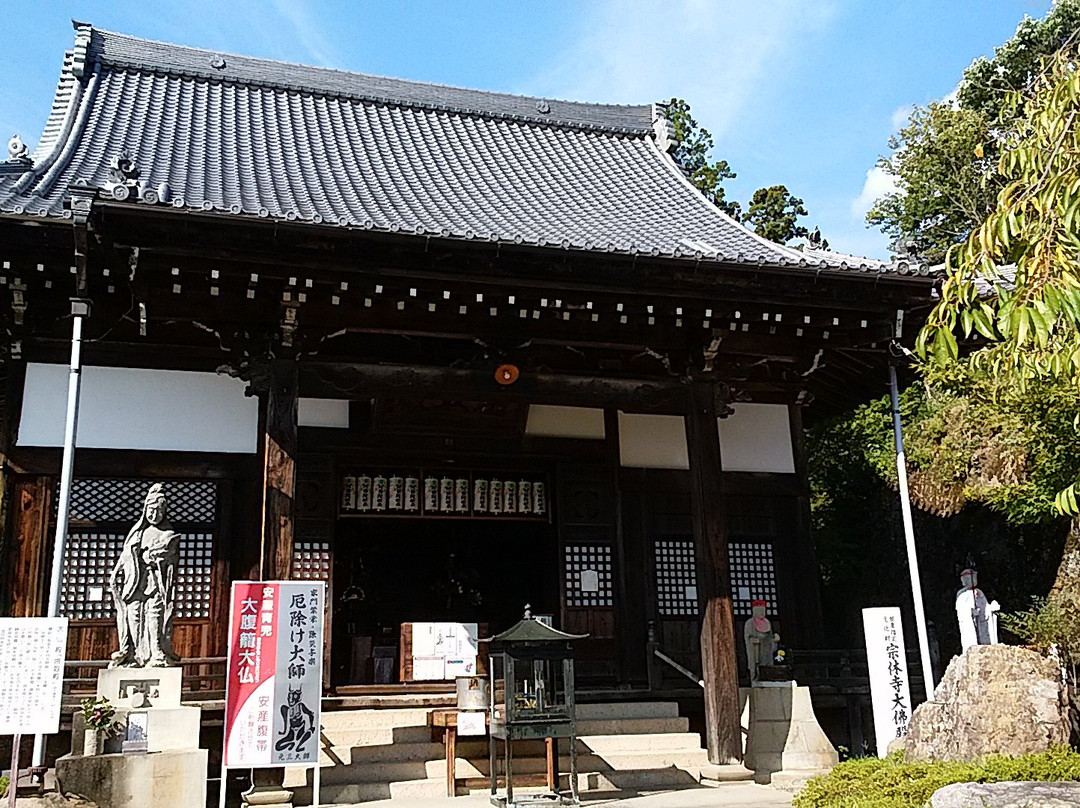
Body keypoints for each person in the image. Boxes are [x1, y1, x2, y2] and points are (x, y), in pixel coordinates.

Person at [109, 484, 181, 667]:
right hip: (134, 581)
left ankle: (156, 650)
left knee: (154, 615)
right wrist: (116, 571)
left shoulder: (167, 533)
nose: (154, 515)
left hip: (155, 580)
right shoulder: (137, 532)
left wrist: (156, 557)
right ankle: (133, 653)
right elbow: (126, 553)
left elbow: (169, 555)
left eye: (158, 511)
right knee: (133, 615)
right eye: (151, 510)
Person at [955, 568, 999, 650]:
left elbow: (985, 606)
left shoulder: (979, 592)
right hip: (970, 623)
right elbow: (961, 610)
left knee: (984, 636)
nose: (973, 580)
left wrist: (991, 608)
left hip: (981, 622)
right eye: (970, 578)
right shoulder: (962, 595)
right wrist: (970, 612)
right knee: (971, 637)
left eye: (975, 577)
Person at [743, 599, 780, 683]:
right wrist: (755, 640)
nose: (763, 612)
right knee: (756, 665)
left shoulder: (767, 622)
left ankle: (768, 678)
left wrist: (774, 639)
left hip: (766, 649)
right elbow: (748, 637)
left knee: (768, 664)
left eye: (764, 610)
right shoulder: (750, 623)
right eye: (760, 610)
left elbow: (769, 636)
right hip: (756, 649)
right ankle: (755, 679)